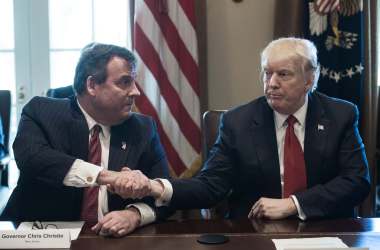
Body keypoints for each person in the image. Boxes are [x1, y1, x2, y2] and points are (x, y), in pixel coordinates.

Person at [148, 37, 371, 220]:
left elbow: (357, 181)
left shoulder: (340, 115)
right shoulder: (238, 122)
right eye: (267, 73)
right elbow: (211, 186)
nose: (271, 83)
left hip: (325, 226)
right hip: (256, 230)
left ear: (309, 80)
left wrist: (295, 204)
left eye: (283, 74)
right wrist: (157, 187)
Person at [0, 43, 172, 236]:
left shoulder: (143, 128)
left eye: (133, 82)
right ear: (92, 86)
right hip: (41, 235)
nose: (136, 92)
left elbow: (166, 193)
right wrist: (109, 176)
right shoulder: (42, 112)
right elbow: (33, 158)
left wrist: (134, 214)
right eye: (124, 82)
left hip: (112, 240)